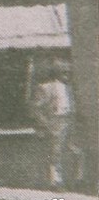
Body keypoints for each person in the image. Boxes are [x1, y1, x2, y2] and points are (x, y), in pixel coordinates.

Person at [32, 61, 78, 189]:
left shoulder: (69, 88)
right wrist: (47, 124)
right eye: (64, 72)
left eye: (69, 72)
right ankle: (55, 181)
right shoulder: (46, 87)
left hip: (69, 121)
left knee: (73, 151)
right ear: (57, 72)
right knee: (55, 153)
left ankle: (75, 180)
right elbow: (36, 108)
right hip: (55, 122)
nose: (67, 75)